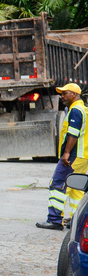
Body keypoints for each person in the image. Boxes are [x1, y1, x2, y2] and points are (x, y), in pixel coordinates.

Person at [37, 83, 88, 230]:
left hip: (73, 156)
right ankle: (75, 221)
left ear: (74, 94)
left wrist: (66, 153)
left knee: (57, 184)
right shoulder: (83, 109)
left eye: (65, 93)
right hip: (82, 156)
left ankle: (54, 220)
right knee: (75, 188)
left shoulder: (76, 111)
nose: (62, 96)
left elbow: (73, 134)